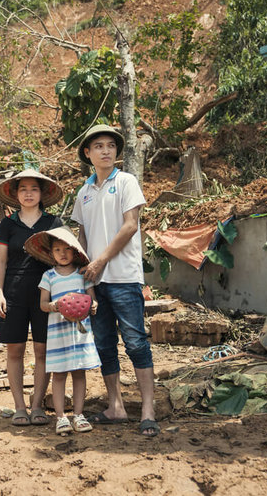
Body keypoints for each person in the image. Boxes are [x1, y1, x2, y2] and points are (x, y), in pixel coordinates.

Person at [71, 124, 160, 437]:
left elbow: (130, 226)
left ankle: (148, 410)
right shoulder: (84, 192)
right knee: (104, 344)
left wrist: (100, 261)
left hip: (123, 277)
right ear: (88, 153)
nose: (106, 150)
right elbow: (82, 235)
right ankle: (116, 407)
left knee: (136, 342)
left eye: (111, 145)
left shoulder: (126, 181)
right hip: (95, 281)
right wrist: (86, 275)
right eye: (99, 146)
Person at [0, 169, 64, 426]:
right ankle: (19, 407)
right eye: (23, 189)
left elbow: (65, 259)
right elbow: (0, 261)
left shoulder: (54, 223)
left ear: (42, 193)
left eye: (34, 188)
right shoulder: (8, 224)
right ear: (15, 194)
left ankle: (37, 406)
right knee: (15, 350)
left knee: (42, 350)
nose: (29, 193)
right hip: (13, 292)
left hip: (46, 295)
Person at [24, 226, 100, 436]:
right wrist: (54, 306)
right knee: (58, 374)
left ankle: (78, 414)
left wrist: (93, 305)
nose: (63, 254)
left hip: (80, 332)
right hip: (58, 332)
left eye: (67, 249)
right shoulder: (49, 276)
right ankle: (60, 417)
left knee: (79, 373)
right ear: (51, 254)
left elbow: (93, 298)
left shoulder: (83, 275)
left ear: (75, 252)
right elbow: (42, 304)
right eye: (58, 250)